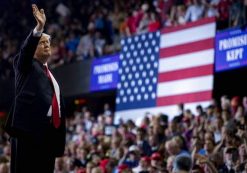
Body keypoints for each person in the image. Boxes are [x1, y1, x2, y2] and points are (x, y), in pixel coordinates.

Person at [4, 4, 66, 173]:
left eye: (48, 42)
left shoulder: (51, 76)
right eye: (42, 42)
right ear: (33, 48)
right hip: (28, 132)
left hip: (47, 137)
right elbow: (25, 51)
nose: (47, 45)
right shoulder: (24, 65)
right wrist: (38, 29)